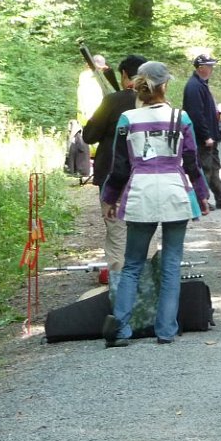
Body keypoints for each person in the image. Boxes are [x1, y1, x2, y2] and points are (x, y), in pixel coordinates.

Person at [100, 61, 210, 347]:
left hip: (141, 193)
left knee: (132, 264)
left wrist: (109, 198)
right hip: (175, 193)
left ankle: (121, 329)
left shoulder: (127, 119)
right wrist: (202, 194)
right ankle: (166, 330)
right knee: (171, 264)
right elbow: (192, 162)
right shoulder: (180, 117)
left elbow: (119, 167)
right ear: (165, 85)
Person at [82, 54, 148, 284]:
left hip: (112, 174)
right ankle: (146, 282)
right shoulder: (157, 103)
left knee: (117, 231)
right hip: (147, 175)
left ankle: (120, 287)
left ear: (125, 75)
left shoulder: (113, 101)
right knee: (145, 230)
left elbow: (89, 135)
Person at [183, 54, 221, 209]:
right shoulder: (194, 87)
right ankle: (201, 200)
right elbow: (195, 115)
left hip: (211, 136)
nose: (212, 69)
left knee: (214, 167)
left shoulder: (202, 84)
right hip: (202, 138)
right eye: (209, 66)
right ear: (201, 68)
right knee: (205, 169)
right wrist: (206, 136)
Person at [77, 54, 109, 127]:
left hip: (95, 116)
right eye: (98, 68)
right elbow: (87, 99)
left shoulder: (100, 78)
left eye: (101, 68)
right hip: (89, 117)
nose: (100, 70)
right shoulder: (86, 76)